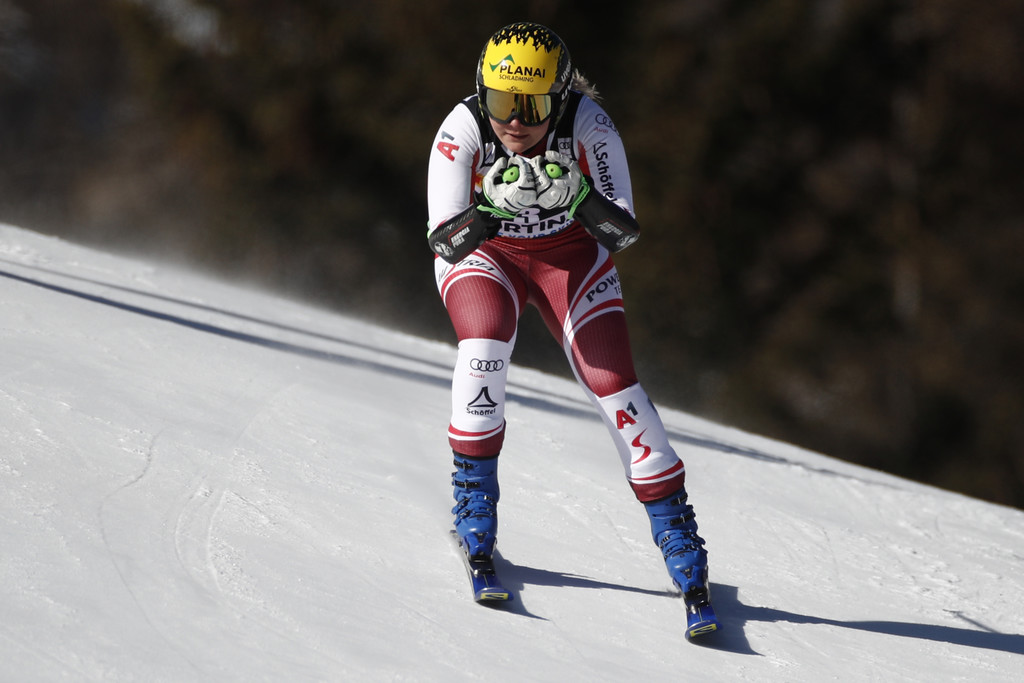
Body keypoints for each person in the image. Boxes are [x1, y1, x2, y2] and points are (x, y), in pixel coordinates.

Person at [426, 22, 712, 614]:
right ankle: (474, 507)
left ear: (560, 99)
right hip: (488, 256)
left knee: (615, 384)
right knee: (484, 345)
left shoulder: (590, 124)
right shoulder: (462, 127)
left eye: (532, 107)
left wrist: (578, 197)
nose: (514, 122)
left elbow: (622, 232)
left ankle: (677, 533)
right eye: (500, 102)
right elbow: (445, 241)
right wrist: (489, 210)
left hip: (570, 260)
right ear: (481, 93)